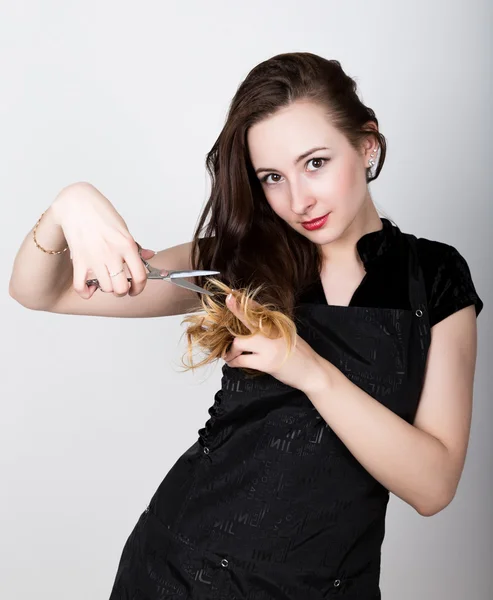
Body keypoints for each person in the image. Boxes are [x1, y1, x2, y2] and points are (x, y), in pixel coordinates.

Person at [9, 52, 484, 600]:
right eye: (273, 177)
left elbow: (433, 485)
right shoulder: (238, 264)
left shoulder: (434, 276)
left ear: (367, 143)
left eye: (316, 163)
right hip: (181, 574)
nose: (299, 200)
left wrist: (309, 371)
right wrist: (72, 205)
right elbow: (39, 291)